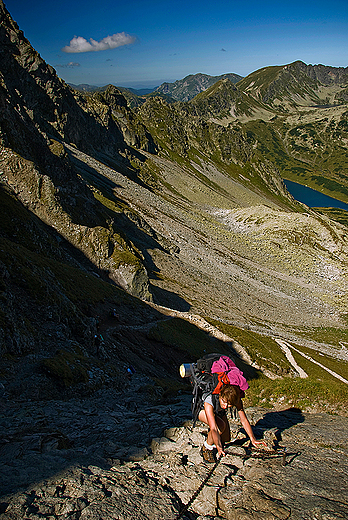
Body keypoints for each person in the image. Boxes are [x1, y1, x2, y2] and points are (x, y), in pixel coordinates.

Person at [199, 382, 267, 463]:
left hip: (218, 412)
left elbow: (244, 420)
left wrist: (253, 439)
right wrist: (219, 446)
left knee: (226, 438)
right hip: (202, 411)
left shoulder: (235, 399)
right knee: (220, 427)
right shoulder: (209, 400)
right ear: (220, 394)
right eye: (223, 401)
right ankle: (206, 447)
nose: (225, 406)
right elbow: (214, 428)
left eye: (229, 405)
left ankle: (212, 438)